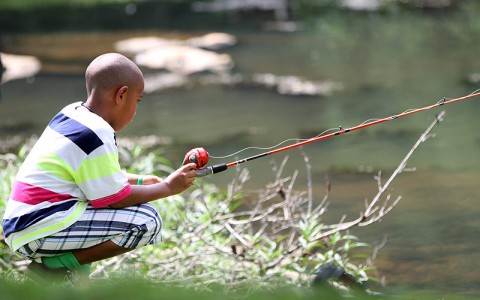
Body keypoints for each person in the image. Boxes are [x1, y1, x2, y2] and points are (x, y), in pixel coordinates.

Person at [1, 53, 197, 280]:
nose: (136, 109)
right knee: (147, 220)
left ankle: (71, 276)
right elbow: (115, 198)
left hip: (25, 223)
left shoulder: (72, 114)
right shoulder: (97, 132)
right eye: (138, 100)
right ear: (122, 95)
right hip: (39, 226)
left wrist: (141, 180)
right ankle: (55, 266)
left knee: (100, 212)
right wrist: (169, 188)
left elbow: (95, 176)